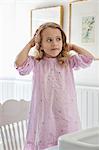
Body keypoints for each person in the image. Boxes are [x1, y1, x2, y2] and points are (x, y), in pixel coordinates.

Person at [15, 22, 98, 150]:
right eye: (49, 40)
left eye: (58, 39)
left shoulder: (67, 61)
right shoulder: (36, 63)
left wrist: (73, 47)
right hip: (44, 114)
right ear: (40, 45)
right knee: (45, 141)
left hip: (66, 113)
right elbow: (19, 64)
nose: (54, 43)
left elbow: (89, 58)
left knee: (68, 143)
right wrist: (30, 43)